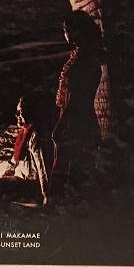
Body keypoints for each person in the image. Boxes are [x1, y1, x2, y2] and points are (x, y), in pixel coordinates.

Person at [51, 10, 103, 198]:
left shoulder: (83, 60)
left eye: (66, 29)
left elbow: (77, 98)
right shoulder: (84, 56)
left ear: (77, 31)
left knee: (69, 177)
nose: (65, 33)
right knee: (75, 177)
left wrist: (61, 124)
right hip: (82, 121)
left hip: (76, 123)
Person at [0, 95, 52, 208]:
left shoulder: (36, 136)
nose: (17, 116)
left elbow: (42, 167)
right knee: (0, 168)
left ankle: (16, 201)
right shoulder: (25, 132)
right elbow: (16, 159)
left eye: (21, 112)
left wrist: (46, 195)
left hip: (30, 180)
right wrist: (8, 167)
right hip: (22, 172)